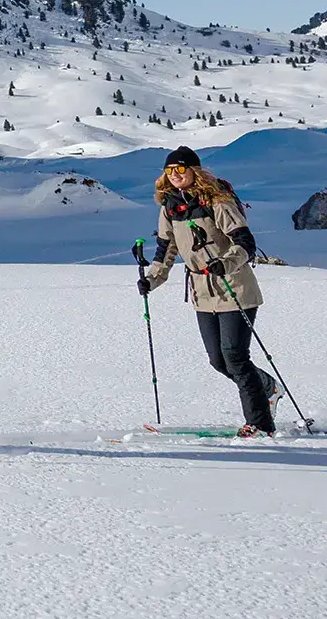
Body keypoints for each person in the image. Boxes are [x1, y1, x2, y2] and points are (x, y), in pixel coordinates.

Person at [139, 145, 279, 437]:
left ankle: (260, 424)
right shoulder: (169, 206)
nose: (175, 175)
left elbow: (245, 243)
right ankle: (267, 389)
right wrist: (151, 280)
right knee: (218, 360)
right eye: (170, 171)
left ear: (194, 171)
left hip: (235, 287)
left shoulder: (217, 200)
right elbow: (166, 249)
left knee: (235, 356)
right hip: (202, 293)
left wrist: (225, 264)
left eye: (180, 169)